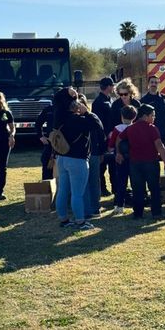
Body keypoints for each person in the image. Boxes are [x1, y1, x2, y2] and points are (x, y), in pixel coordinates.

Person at [120, 104, 165, 220]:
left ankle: (138, 213)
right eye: (152, 115)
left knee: (137, 189)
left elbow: (119, 139)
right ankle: (156, 212)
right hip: (150, 163)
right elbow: (159, 146)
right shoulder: (152, 128)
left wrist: (118, 152)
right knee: (154, 188)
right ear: (145, 116)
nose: (154, 118)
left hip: (135, 163)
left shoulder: (130, 128)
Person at [56, 97, 97, 231]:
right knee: (77, 193)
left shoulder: (60, 118)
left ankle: (63, 219)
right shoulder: (80, 120)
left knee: (62, 190)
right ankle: (80, 221)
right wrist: (87, 113)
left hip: (62, 158)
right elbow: (97, 125)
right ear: (77, 108)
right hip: (77, 159)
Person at [108, 105, 135, 215]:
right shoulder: (135, 128)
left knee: (121, 182)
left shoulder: (117, 129)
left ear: (121, 116)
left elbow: (111, 145)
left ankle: (119, 205)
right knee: (135, 182)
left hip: (120, 159)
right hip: (133, 159)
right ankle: (136, 203)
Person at [91, 77, 116, 194]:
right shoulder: (98, 102)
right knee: (102, 165)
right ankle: (103, 188)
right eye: (112, 86)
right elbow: (98, 122)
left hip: (112, 138)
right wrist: (104, 135)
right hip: (103, 138)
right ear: (109, 86)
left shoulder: (110, 100)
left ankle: (114, 187)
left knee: (113, 165)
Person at [140, 76, 165, 148]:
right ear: (148, 84)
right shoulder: (143, 101)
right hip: (150, 133)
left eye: (156, 82)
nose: (154, 84)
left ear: (158, 84)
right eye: (152, 82)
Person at [34, 102, 54, 180]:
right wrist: (41, 136)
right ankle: (46, 189)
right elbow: (38, 123)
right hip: (50, 143)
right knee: (46, 164)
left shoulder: (68, 109)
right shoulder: (49, 109)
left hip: (64, 144)